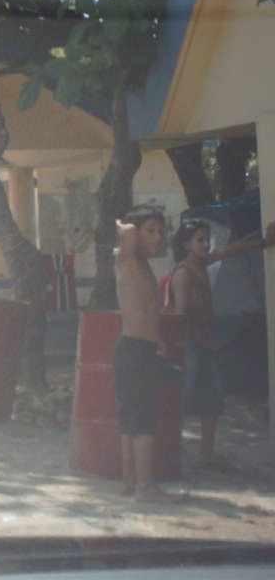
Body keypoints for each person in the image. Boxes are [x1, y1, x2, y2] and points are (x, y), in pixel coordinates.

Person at [167, 217, 275, 467]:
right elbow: (179, 317)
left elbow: (230, 250)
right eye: (200, 240)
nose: (206, 245)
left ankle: (206, 453)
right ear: (186, 245)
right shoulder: (184, 274)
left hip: (204, 345)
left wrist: (261, 242)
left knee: (212, 400)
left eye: (207, 240)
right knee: (182, 398)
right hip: (191, 346)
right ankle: (171, 447)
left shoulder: (202, 263)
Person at [114, 206, 180, 503]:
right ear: (136, 233)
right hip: (134, 350)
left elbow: (147, 310)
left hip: (140, 348)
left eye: (160, 231)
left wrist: (159, 341)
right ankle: (145, 487)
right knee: (143, 422)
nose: (158, 237)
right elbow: (127, 233)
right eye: (150, 231)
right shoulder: (126, 259)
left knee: (131, 419)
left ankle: (130, 481)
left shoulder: (142, 265)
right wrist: (124, 223)